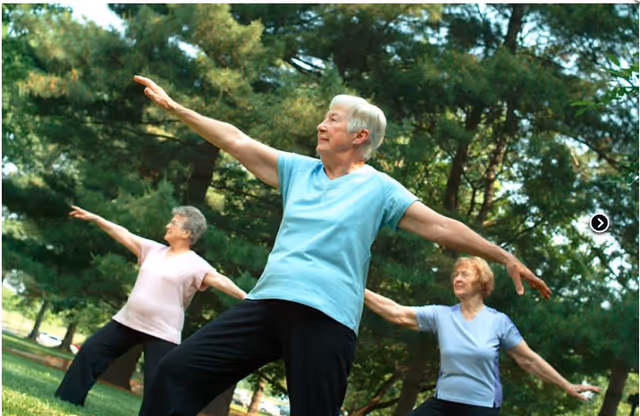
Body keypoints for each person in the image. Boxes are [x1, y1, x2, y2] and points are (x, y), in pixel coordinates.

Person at [133, 74, 552, 416]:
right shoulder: (298, 171)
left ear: (358, 136)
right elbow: (236, 140)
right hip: (266, 306)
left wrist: (502, 255)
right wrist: (176, 108)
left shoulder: (380, 190)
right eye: (324, 118)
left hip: (327, 318)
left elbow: (442, 227)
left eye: (332, 120)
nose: (321, 125)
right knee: (176, 372)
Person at [54, 205, 247, 407]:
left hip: (162, 332)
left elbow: (221, 281)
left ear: (187, 232)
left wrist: (246, 297)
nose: (168, 225)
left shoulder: (196, 264)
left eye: (173, 223)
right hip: (127, 321)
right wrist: (96, 218)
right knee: (91, 351)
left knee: (158, 384)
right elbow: (122, 233)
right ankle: (68, 399)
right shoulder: (152, 250)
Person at [364, 256, 600, 415]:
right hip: (444, 403)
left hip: (481, 406)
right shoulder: (441, 315)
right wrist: (357, 287)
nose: (457, 279)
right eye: (455, 275)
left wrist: (566, 385)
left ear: (482, 282)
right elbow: (396, 312)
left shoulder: (498, 322)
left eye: (464, 274)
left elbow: (528, 360)